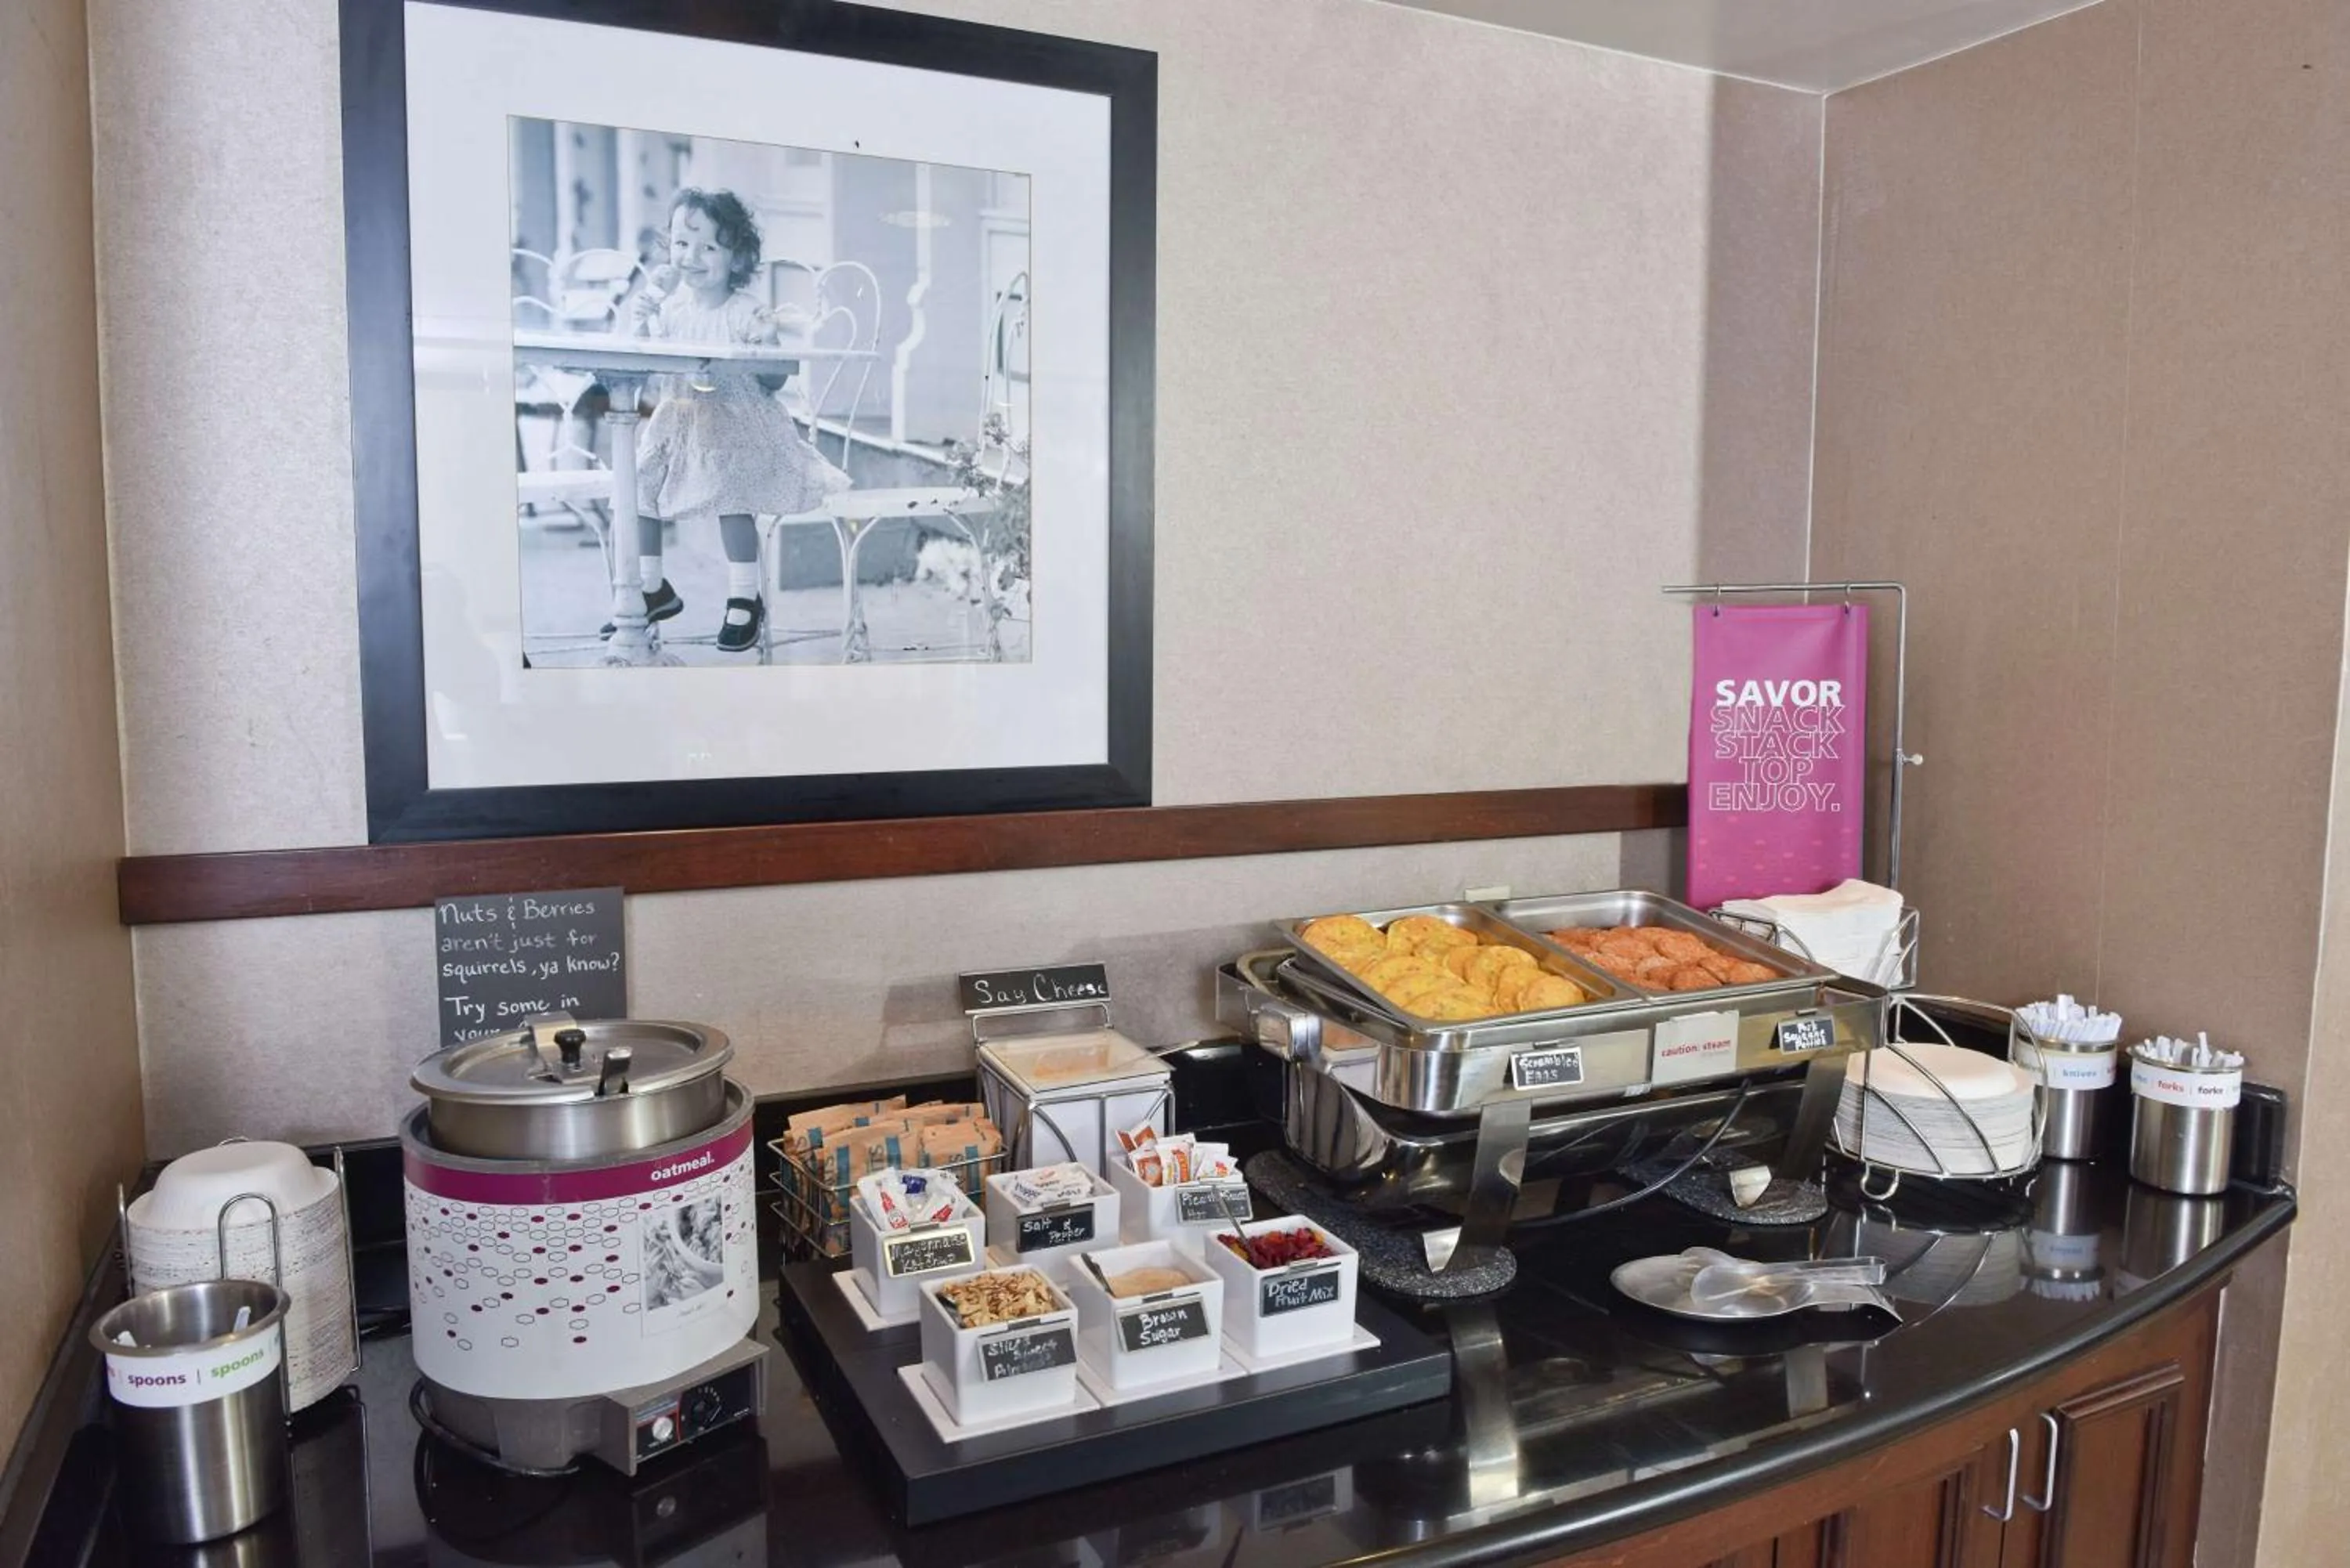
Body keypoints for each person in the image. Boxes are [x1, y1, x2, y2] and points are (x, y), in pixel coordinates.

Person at [613, 188, 848, 652]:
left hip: (735, 425)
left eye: (709, 247)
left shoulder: (745, 312)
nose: (692, 257)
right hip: (678, 423)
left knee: (731, 496)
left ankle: (744, 597)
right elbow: (645, 364)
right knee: (636, 485)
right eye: (682, 244)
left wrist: (765, 341)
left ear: (737, 258)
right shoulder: (670, 310)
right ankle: (652, 587)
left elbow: (775, 379)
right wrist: (640, 323)